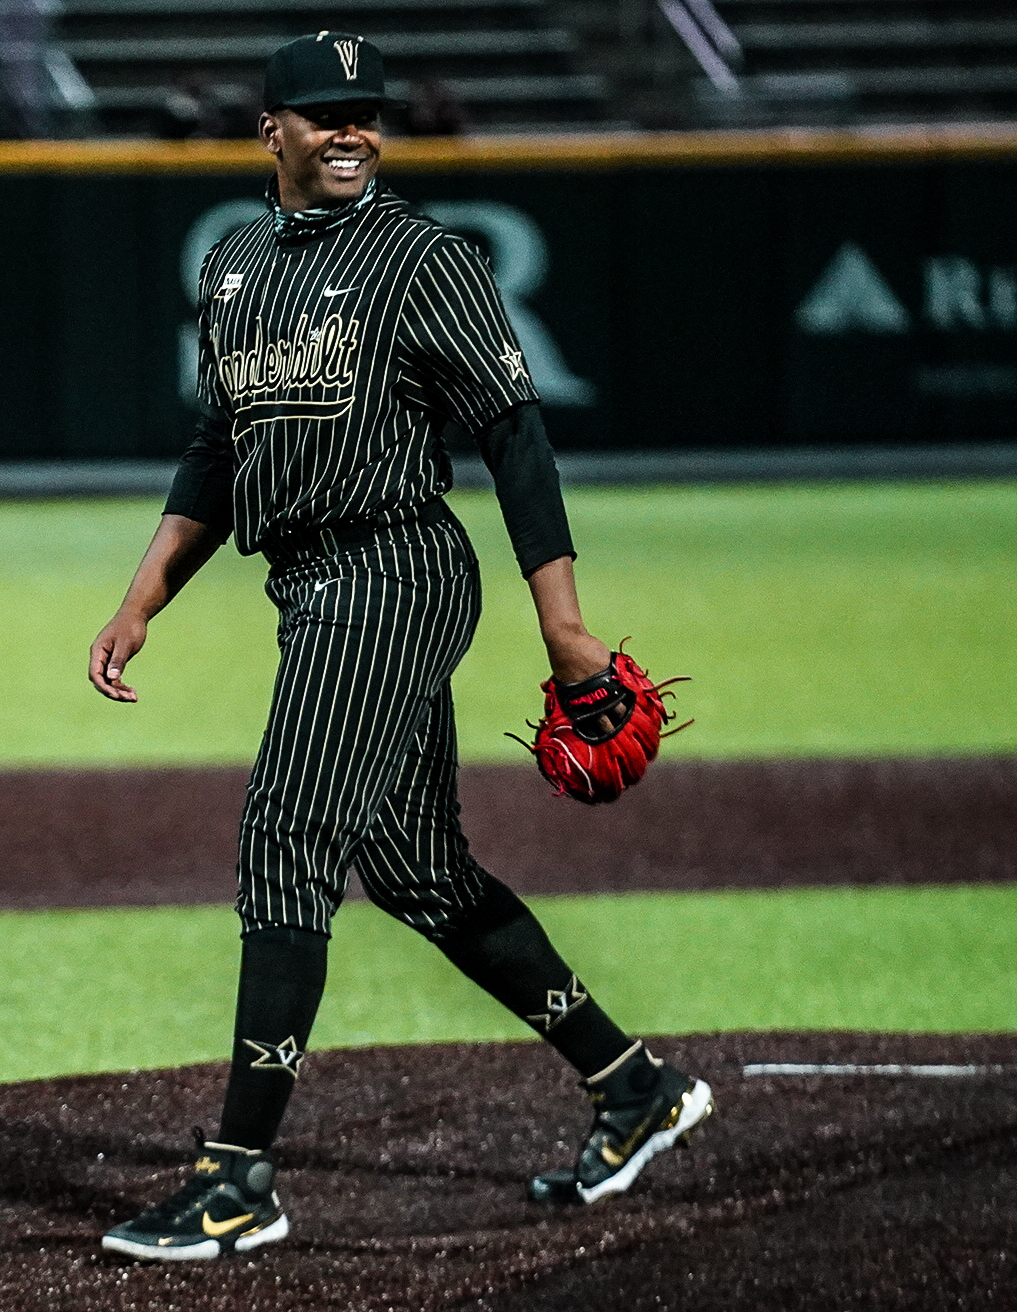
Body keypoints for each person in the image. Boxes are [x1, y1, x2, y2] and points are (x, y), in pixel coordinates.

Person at [89, 33, 712, 1262]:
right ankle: (631, 1084)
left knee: (285, 838)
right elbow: (219, 452)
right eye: (322, 114)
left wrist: (564, 620)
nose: (349, 131)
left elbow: (514, 437)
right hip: (309, 581)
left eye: (364, 112)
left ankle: (237, 1180)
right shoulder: (234, 265)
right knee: (420, 873)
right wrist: (143, 595)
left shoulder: (426, 259)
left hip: (395, 567)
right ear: (270, 129)